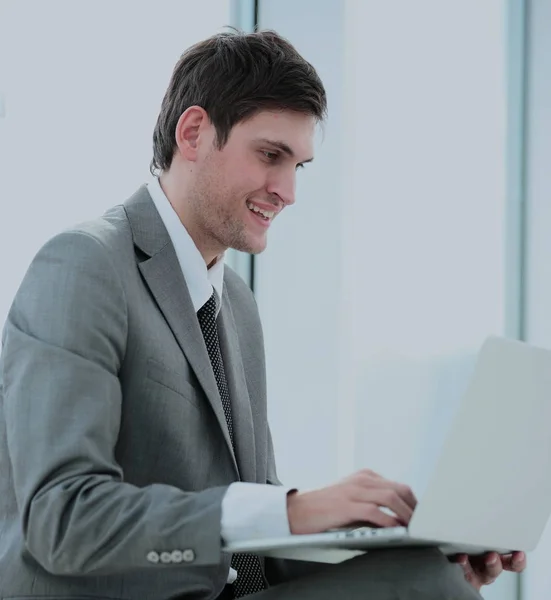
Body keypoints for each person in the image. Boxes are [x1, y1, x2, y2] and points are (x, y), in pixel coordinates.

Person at [0, 29, 525, 600]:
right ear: (194, 133)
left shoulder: (237, 305)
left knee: (428, 574)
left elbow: (253, 552)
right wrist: (295, 508)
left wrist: (423, 552)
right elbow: (62, 521)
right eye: (271, 156)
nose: (288, 191)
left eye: (299, 165)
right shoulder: (84, 265)